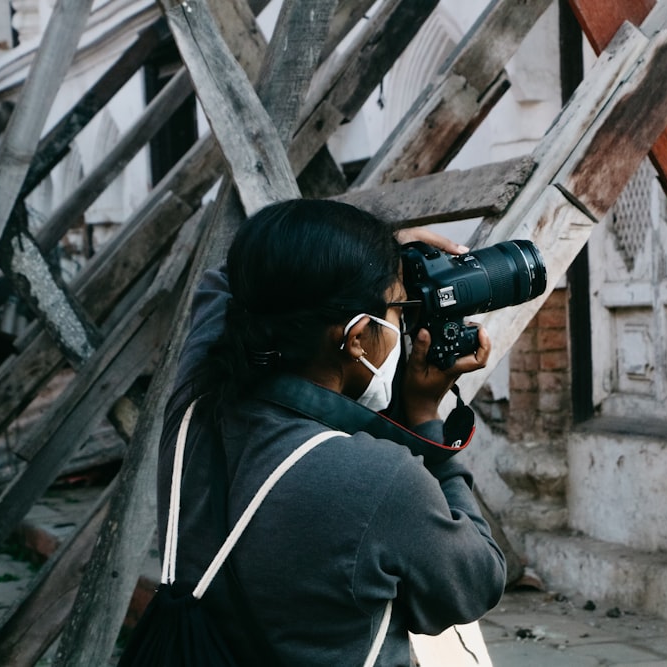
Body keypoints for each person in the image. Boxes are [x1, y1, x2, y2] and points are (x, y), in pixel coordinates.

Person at [152, 199, 506, 666]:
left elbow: (230, 277)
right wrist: (425, 419)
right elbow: (477, 581)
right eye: (399, 309)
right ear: (357, 337)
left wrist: (368, 256)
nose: (404, 324)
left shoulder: (195, 400)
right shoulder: (379, 479)